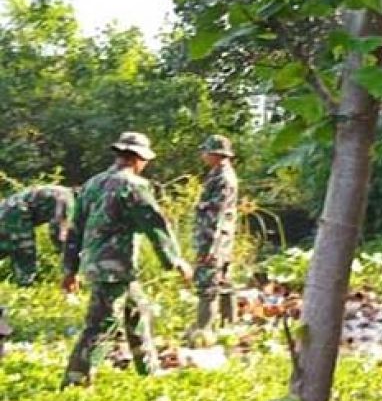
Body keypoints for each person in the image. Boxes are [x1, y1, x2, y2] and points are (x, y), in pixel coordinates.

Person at [61, 132, 193, 388]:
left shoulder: (93, 184)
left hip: (99, 264)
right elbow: (155, 225)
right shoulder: (133, 185)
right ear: (138, 159)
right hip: (115, 267)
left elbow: (74, 230)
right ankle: (76, 381)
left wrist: (70, 270)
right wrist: (175, 260)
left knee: (137, 310)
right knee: (102, 325)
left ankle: (149, 369)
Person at [188, 135, 240, 345]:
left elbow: (217, 214)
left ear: (216, 154)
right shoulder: (218, 175)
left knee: (207, 285)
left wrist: (209, 247)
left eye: (206, 151)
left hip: (213, 240)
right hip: (219, 240)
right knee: (223, 282)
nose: (203, 155)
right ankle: (228, 328)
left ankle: (204, 331)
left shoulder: (223, 178)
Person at [0, 184, 74, 286]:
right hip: (17, 212)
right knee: (25, 249)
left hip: (7, 209)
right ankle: (26, 285)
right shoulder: (66, 199)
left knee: (5, 245)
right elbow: (57, 231)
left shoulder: (62, 192)